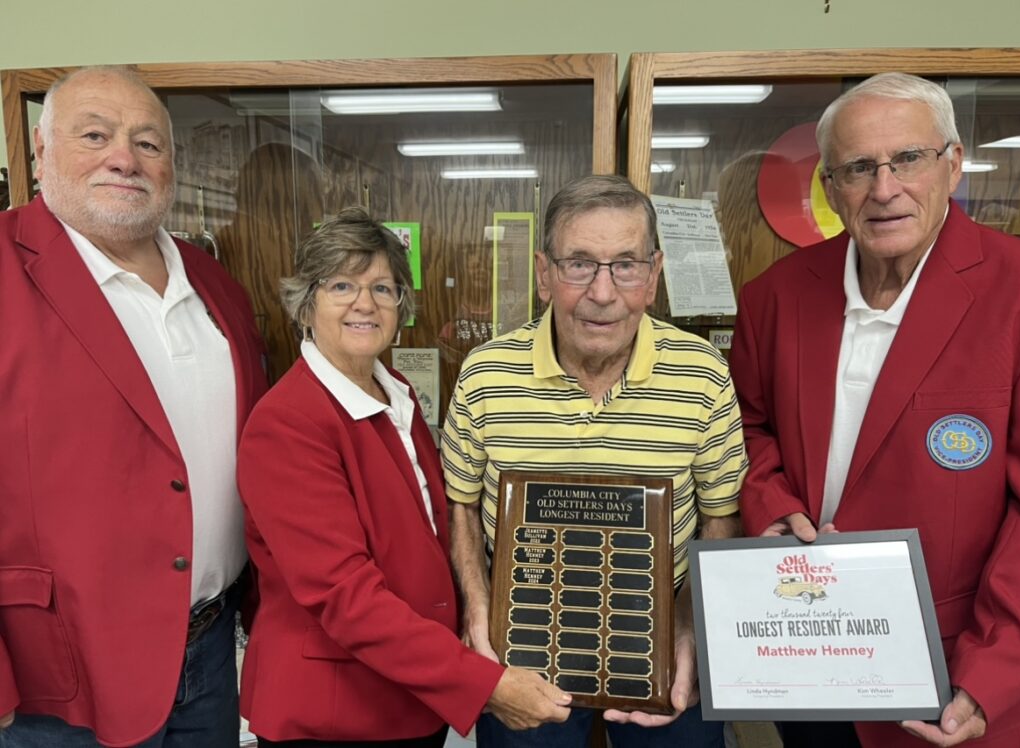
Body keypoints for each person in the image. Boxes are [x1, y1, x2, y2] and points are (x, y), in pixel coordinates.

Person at [730, 72, 1020, 748]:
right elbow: (746, 426)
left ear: (952, 165)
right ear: (831, 189)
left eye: (908, 160)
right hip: (805, 648)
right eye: (858, 168)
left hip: (952, 674)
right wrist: (767, 500)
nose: (884, 188)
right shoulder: (774, 296)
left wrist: (994, 669)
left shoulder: (1015, 291)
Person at [0, 67, 268, 746]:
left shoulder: (215, 284)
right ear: (41, 149)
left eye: (148, 143)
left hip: (209, 653)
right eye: (95, 135)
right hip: (55, 681)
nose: (124, 157)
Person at [235, 208, 571, 746]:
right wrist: (483, 684)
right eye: (342, 284)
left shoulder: (393, 391)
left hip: (407, 695)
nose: (365, 303)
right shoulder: (287, 424)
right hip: (336, 713)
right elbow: (346, 598)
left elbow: (429, 532)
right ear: (306, 303)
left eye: (383, 288)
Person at [442, 174, 747, 748]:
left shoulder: (703, 373)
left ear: (653, 275)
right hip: (523, 650)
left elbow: (720, 513)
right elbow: (460, 503)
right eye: (578, 264)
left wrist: (689, 629)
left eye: (626, 265)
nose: (603, 293)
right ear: (543, 273)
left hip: (659, 647)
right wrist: (477, 616)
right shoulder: (485, 375)